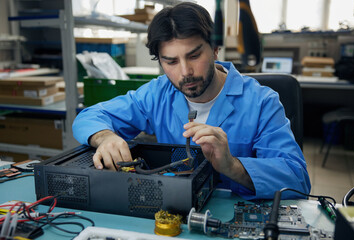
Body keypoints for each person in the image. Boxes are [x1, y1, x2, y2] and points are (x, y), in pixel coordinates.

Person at [72, 2, 311, 200]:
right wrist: (106, 137)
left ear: (215, 49)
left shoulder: (261, 102)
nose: (185, 72)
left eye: (194, 55)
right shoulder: (158, 93)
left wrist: (232, 165)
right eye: (171, 62)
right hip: (177, 211)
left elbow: (297, 178)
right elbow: (89, 116)